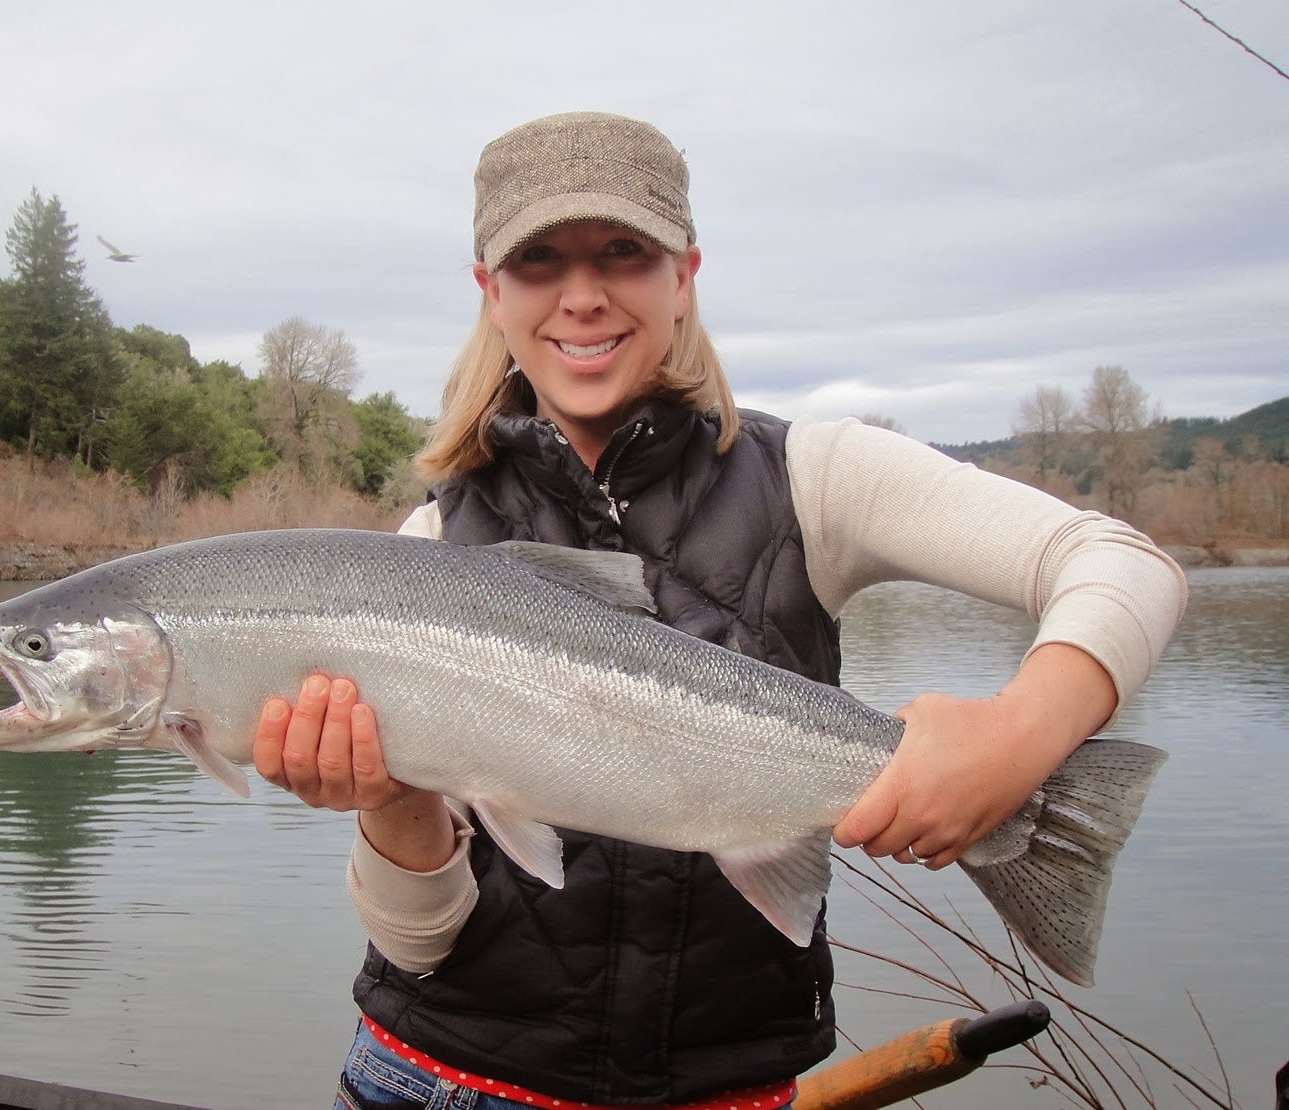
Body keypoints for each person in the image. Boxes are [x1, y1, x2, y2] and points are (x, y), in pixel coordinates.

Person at [251, 111, 1188, 1109]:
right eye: (537, 261)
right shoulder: (427, 550)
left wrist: (1016, 737)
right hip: (431, 1083)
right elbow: (416, 945)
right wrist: (393, 797)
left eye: (622, 252)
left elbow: (1123, 564)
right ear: (490, 292)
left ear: (683, 274)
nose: (581, 295)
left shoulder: (819, 479)